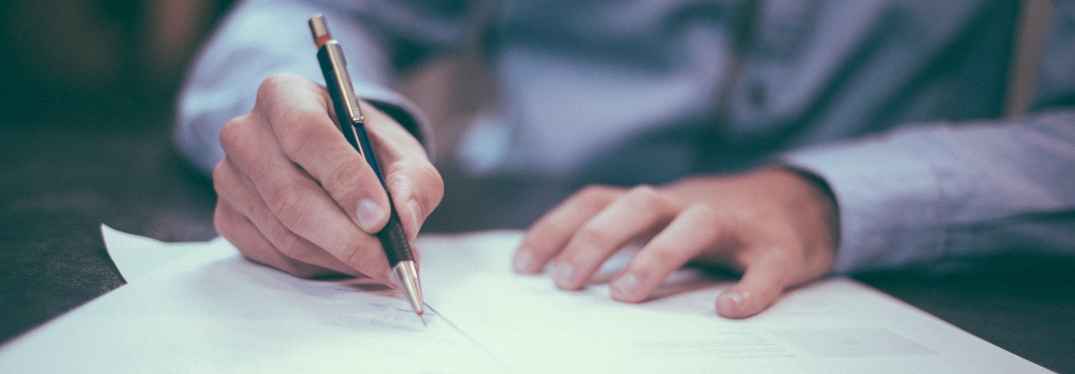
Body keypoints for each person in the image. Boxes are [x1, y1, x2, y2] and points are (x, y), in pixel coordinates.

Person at [175, 0, 1075, 319]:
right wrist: (319, 124)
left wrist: (824, 199)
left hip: (897, 272)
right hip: (516, 245)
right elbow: (300, 16)